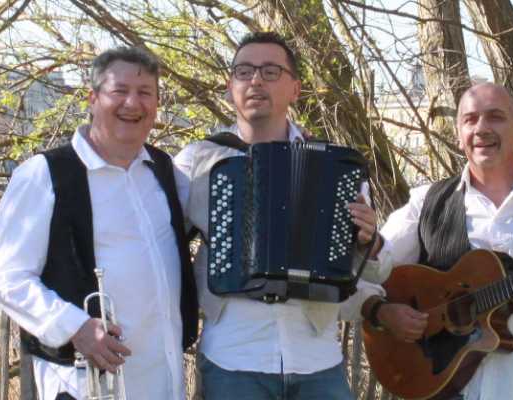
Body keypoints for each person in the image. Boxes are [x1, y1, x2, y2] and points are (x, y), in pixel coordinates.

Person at [174, 31, 417, 400]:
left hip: (317, 359)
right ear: (230, 86)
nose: (255, 80)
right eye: (244, 71)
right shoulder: (195, 162)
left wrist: (373, 241)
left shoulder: (335, 167)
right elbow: (157, 248)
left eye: (271, 71)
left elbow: (372, 272)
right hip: (232, 357)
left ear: (295, 90)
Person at [364, 83, 513, 400]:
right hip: (444, 383)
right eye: (470, 119)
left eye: (495, 117)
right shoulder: (427, 202)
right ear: (458, 133)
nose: (481, 128)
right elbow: (371, 269)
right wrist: (382, 312)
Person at [0, 47, 199, 400]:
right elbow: (4, 277)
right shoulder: (44, 175)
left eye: (145, 93)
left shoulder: (163, 170)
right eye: (120, 90)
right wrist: (75, 327)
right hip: (84, 384)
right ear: (93, 98)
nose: (133, 103)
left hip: (163, 381)